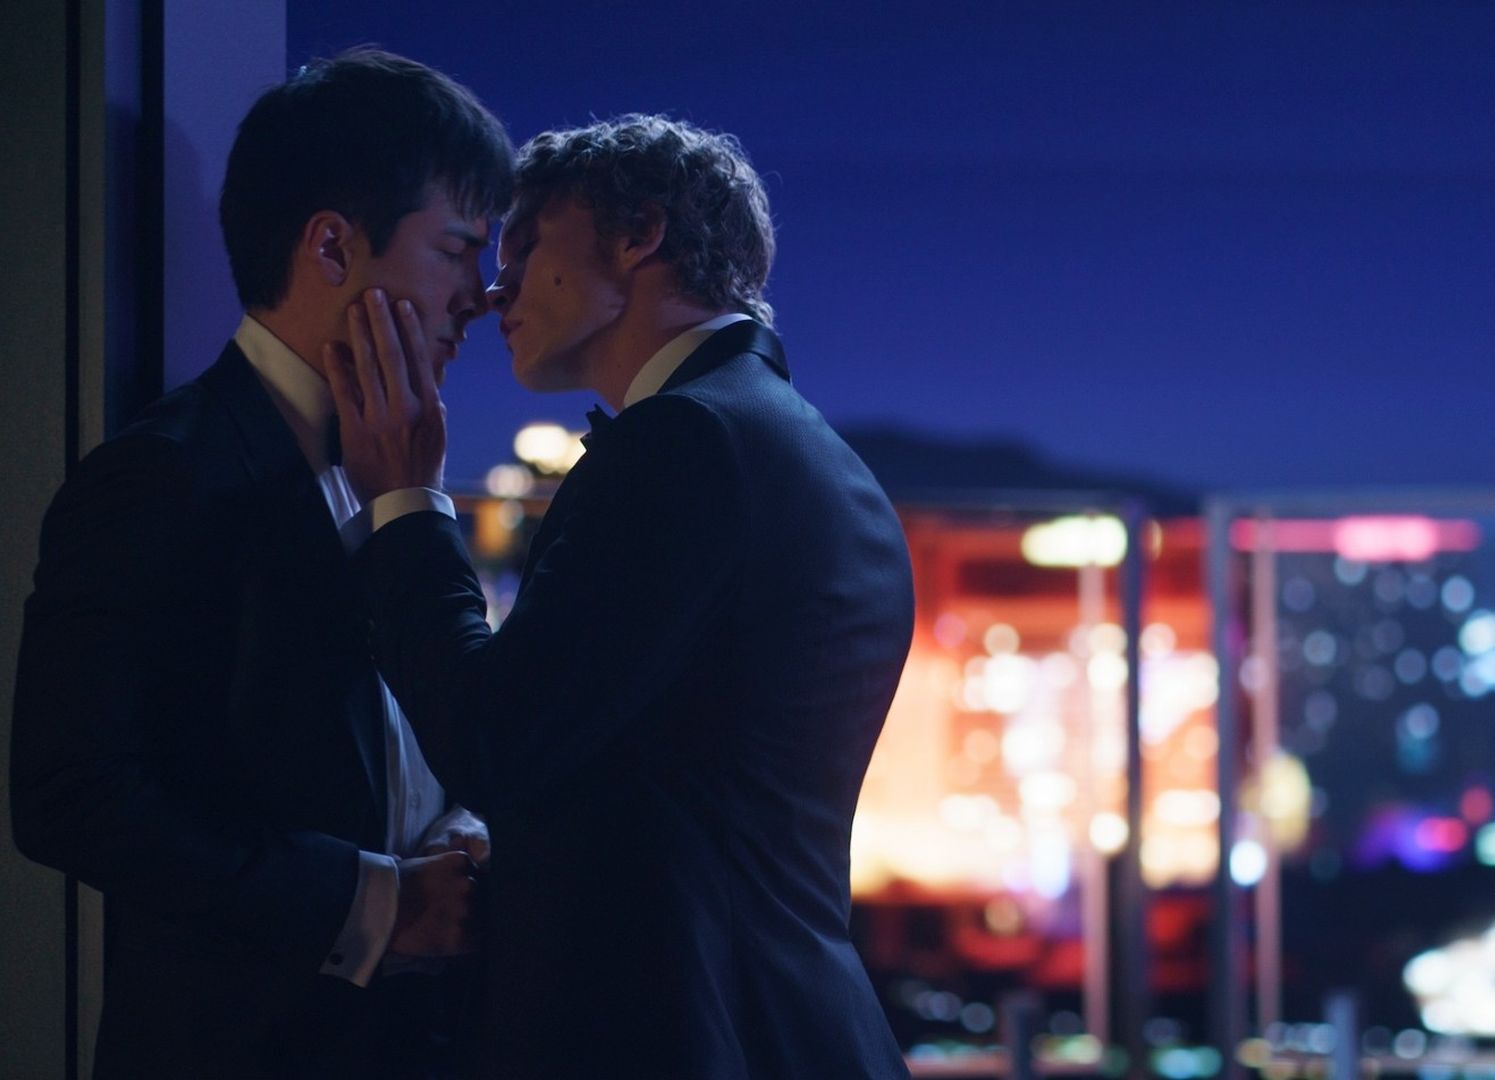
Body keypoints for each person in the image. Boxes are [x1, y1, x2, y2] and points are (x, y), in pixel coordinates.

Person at [324, 114, 915, 1077]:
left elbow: (493, 737)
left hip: (680, 1030)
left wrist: (407, 499)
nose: (496, 288)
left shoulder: (683, 443)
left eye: (526, 243)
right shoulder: (798, 447)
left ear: (639, 234)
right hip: (773, 1019)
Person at [10, 49, 514, 1078]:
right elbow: (72, 794)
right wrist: (377, 904)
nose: (482, 295)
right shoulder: (160, 474)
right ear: (331, 245)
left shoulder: (399, 462)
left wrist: (462, 828)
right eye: (458, 249)